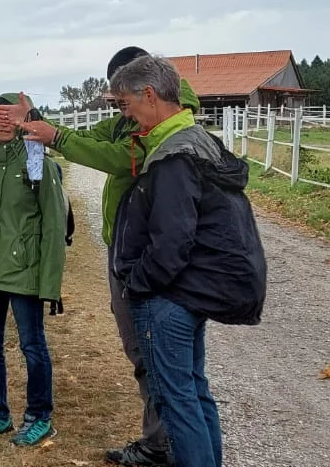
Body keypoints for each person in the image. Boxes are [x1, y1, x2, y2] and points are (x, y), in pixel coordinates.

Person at [0, 45, 199, 466]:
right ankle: (160, 443)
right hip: (129, 251)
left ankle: (166, 447)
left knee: (160, 362)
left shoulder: (162, 131)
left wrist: (56, 137)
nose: (121, 111)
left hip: (147, 258)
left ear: (146, 90)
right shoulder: (134, 120)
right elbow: (90, 140)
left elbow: (118, 159)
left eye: (123, 101)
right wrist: (36, 123)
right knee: (155, 361)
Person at [107, 54, 266, 467]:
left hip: (169, 298)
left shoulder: (174, 156)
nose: (127, 118)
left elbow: (171, 240)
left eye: (126, 105)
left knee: (176, 401)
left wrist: (136, 283)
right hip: (190, 293)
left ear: (149, 94)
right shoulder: (197, 142)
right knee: (192, 391)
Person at [0, 94, 69, 448]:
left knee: (32, 346)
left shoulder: (37, 162)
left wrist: (49, 284)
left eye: (11, 116)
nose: (4, 123)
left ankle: (39, 416)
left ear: (24, 119)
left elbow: (53, 224)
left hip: (24, 273)